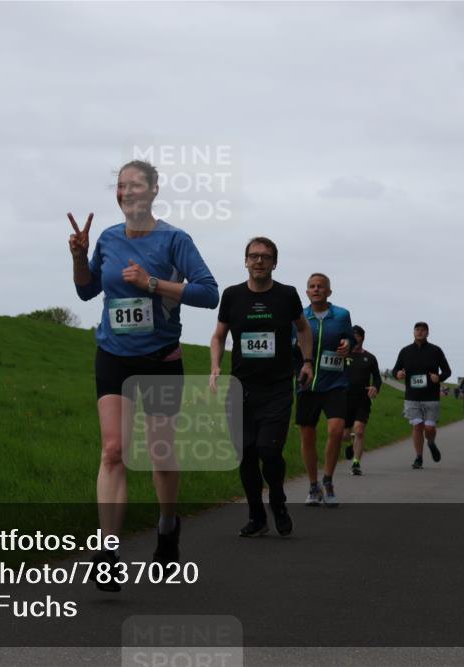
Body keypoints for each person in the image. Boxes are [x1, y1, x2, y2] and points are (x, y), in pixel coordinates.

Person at [70, 160, 218, 591]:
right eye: (121, 186)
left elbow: (209, 293)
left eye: (135, 185)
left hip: (160, 359)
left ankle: (168, 526)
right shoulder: (108, 238)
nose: (127, 192)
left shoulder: (175, 240)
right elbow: (86, 290)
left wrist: (152, 283)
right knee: (113, 451)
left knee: (160, 454)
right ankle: (108, 553)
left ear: (153, 191)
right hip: (113, 354)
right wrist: (79, 257)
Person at [210, 237, 313, 537]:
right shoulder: (232, 295)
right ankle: (256, 515)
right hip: (241, 388)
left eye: (265, 257)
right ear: (245, 261)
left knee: (268, 450)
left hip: (277, 387)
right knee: (246, 453)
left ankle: (277, 501)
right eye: (253, 256)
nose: (259, 261)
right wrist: (215, 366)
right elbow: (219, 335)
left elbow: (303, 328)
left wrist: (307, 362)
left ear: (274, 263)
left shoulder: (287, 294)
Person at [295, 273, 354, 507]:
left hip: (335, 383)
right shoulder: (299, 317)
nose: (316, 289)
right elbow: (290, 344)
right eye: (312, 286)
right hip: (307, 384)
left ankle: (328, 480)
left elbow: (350, 339)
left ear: (329, 292)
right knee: (307, 435)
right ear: (307, 292)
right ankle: (313, 485)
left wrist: (348, 344)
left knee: (336, 430)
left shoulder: (341, 315)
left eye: (321, 286)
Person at [392, 322, 452, 469]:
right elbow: (395, 370)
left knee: (429, 428)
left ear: (427, 333)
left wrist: (439, 377)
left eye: (423, 330)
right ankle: (418, 457)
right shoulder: (405, 351)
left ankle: (431, 442)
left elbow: (447, 371)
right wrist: (398, 374)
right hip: (412, 396)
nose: (420, 332)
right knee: (418, 425)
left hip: (431, 397)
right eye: (417, 330)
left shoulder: (436, 351)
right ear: (413, 332)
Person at [342, 325, 381, 476]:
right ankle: (351, 442)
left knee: (359, 430)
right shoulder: (342, 355)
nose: (354, 339)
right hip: (344, 399)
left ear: (362, 338)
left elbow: (377, 378)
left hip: (362, 400)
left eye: (357, 336)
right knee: (344, 435)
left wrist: (375, 387)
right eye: (351, 336)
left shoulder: (370, 358)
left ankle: (356, 463)